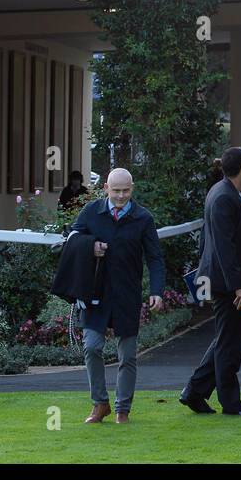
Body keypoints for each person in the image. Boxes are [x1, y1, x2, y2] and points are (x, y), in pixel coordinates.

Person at [68, 168, 164, 424]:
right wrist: (92, 246)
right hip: (94, 293)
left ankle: (123, 409)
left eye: (126, 190)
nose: (121, 196)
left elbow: (155, 258)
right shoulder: (90, 212)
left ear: (132, 188)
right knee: (91, 347)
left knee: (128, 355)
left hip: (127, 295)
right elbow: (71, 239)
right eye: (116, 190)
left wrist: (156, 292)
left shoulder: (143, 218)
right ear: (106, 189)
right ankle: (100, 404)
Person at [181, 146, 241, 418]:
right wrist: (238, 285)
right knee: (230, 342)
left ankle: (194, 392)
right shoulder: (223, 197)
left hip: (228, 279)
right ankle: (232, 405)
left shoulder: (225, 192)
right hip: (227, 284)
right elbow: (223, 247)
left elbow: (220, 242)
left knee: (227, 338)